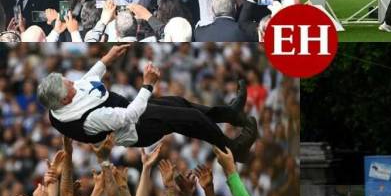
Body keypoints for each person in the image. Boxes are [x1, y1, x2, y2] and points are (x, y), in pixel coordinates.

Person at [36, 45, 257, 162]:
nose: (72, 81)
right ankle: (233, 149)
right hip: (138, 129)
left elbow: (86, 82)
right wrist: (147, 85)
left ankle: (230, 114)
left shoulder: (65, 99)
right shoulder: (85, 120)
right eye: (68, 83)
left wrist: (107, 59)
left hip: (133, 111)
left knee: (181, 104)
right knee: (192, 119)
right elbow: (129, 116)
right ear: (64, 99)